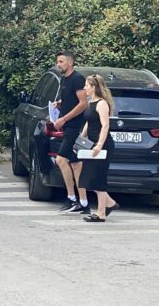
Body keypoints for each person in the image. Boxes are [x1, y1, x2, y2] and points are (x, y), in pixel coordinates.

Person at [53, 51, 90, 214]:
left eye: (61, 61)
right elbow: (71, 99)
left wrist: (64, 119)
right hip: (68, 126)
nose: (58, 64)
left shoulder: (77, 79)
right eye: (58, 61)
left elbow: (83, 104)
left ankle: (72, 198)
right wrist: (60, 104)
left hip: (75, 127)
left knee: (61, 159)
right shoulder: (64, 79)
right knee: (75, 164)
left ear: (70, 63)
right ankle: (84, 203)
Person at [80, 74, 120, 222]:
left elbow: (105, 125)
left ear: (94, 87)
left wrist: (99, 145)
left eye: (87, 86)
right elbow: (89, 122)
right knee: (89, 177)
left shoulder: (102, 104)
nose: (84, 88)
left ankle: (101, 213)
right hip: (91, 144)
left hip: (103, 145)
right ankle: (110, 203)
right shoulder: (91, 102)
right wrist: (81, 139)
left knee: (98, 177)